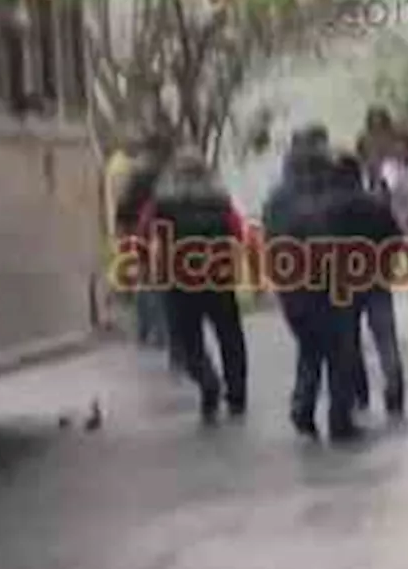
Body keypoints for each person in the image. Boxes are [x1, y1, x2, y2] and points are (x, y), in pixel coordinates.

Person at [135, 148, 251, 423]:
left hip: (179, 279)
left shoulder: (161, 203)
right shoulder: (220, 201)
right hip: (218, 276)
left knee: (188, 340)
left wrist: (147, 264)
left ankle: (207, 380)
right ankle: (237, 395)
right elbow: (238, 232)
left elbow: (142, 234)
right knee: (230, 337)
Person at [262, 131, 361, 441]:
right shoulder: (325, 195)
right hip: (326, 283)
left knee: (310, 347)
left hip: (290, 286)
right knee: (339, 351)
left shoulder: (276, 198)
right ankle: (340, 422)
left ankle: (302, 409)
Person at [327, 153, 406, 418]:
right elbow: (396, 238)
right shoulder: (376, 204)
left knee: (348, 340)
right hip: (377, 278)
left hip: (344, 282)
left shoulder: (330, 208)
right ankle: (394, 390)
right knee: (386, 338)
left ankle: (358, 393)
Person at [114, 128, 180, 366]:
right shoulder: (171, 173)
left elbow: (124, 204)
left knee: (146, 280)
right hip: (166, 233)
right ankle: (163, 332)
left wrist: (122, 229)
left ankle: (146, 330)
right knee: (163, 283)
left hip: (140, 230)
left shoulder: (139, 173)